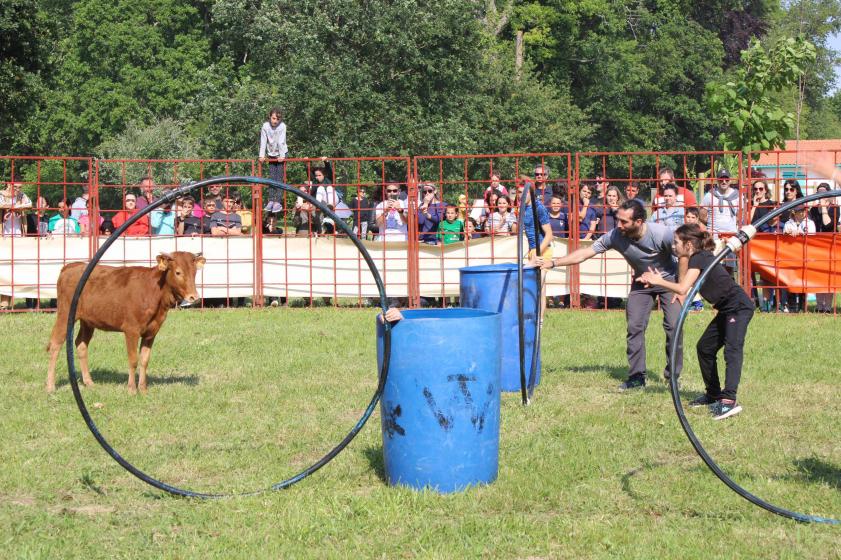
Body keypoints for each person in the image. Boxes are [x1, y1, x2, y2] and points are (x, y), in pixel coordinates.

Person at [537, 199, 683, 390]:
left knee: (674, 326)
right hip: (642, 281)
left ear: (639, 222)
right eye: (618, 220)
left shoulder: (660, 234)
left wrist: (681, 287)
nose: (618, 225)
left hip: (667, 281)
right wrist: (553, 263)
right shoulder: (615, 236)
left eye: (624, 222)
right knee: (634, 326)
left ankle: (672, 376)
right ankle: (637, 377)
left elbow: (684, 255)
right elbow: (585, 253)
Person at [638, 223, 752, 420]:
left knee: (732, 350)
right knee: (705, 348)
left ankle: (728, 401)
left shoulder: (699, 258)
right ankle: (713, 394)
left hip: (739, 307)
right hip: (726, 309)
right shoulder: (698, 258)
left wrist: (658, 281)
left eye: (676, 243)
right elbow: (685, 288)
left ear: (689, 244)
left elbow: (683, 288)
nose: (674, 247)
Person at [809, 183, 839, 313]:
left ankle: (827, 306)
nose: (821, 194)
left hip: (830, 246)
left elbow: (828, 225)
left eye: (823, 191)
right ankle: (819, 305)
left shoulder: (835, 208)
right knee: (817, 275)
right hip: (816, 246)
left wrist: (824, 208)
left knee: (829, 276)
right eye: (819, 191)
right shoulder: (814, 209)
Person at [258, 107, 288, 213]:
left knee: (279, 178)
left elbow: (281, 141)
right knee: (271, 177)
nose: (275, 121)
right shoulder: (265, 126)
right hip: (271, 153)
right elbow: (263, 140)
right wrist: (261, 155)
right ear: (270, 117)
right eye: (274, 118)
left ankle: (278, 202)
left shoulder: (282, 126)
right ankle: (270, 200)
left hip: (281, 153)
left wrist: (282, 156)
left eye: (277, 119)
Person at [701, 169, 740, 238]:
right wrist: (712, 224)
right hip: (713, 236)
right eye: (721, 180)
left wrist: (729, 224)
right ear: (717, 181)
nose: (724, 182)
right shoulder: (710, 195)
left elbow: (739, 216)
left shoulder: (737, 196)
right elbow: (702, 215)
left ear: (730, 180)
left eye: (726, 179)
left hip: (731, 235)